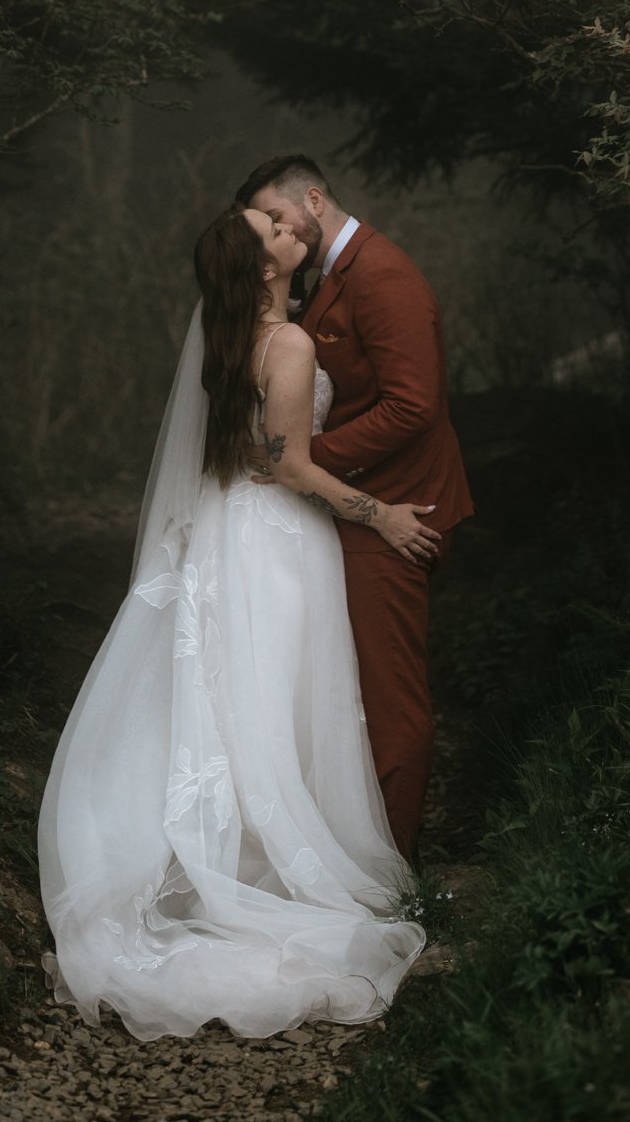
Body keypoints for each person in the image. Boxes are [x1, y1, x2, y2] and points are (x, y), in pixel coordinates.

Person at [36, 202, 436, 1040]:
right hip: (278, 540)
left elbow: (256, 449)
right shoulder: (285, 343)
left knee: (235, 688)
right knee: (274, 687)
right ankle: (268, 865)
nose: (294, 227)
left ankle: (244, 849)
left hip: (226, 527)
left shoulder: (227, 342)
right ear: (264, 269)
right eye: (275, 230)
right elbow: (290, 466)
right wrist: (380, 514)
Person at [237, 155, 473, 863]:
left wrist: (299, 460)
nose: (275, 233)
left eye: (277, 218)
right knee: (345, 693)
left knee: (389, 698)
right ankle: (344, 850)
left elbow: (413, 406)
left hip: (399, 506)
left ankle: (393, 872)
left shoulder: (383, 274)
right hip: (346, 506)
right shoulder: (330, 279)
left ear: (314, 198)